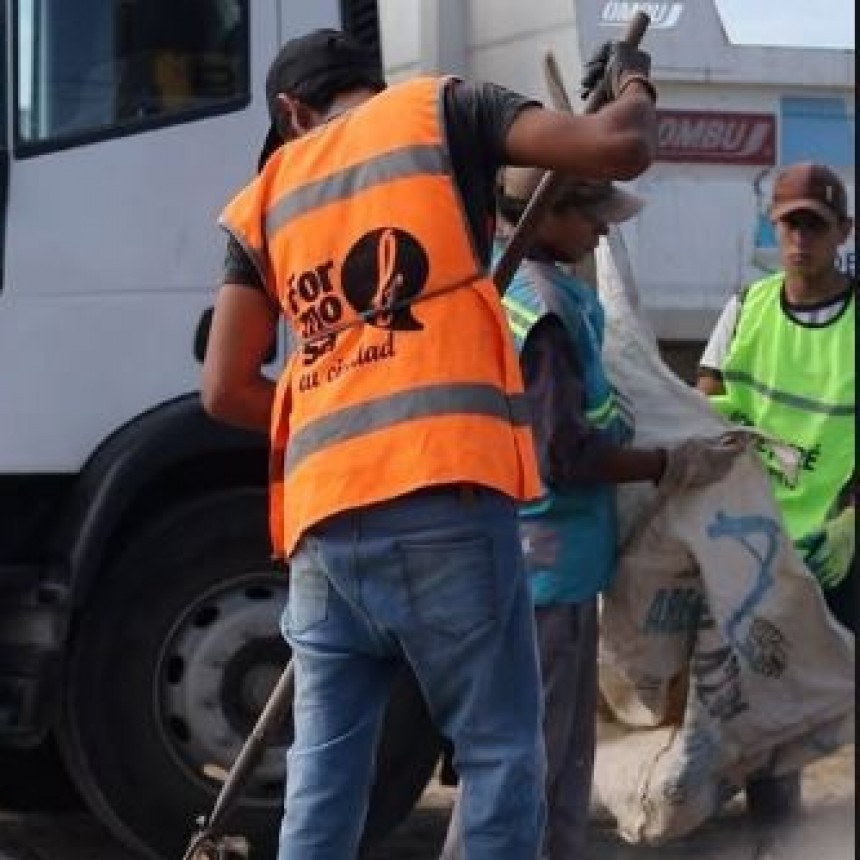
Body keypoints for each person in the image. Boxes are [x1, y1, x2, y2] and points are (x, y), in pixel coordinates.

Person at [202, 27, 659, 860]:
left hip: (322, 527)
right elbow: (619, 145)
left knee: (323, 776)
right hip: (442, 499)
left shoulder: (264, 195)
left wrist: (341, 409)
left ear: (290, 111)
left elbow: (224, 386)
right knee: (498, 753)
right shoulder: (438, 111)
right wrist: (634, 81)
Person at [439, 167, 742, 860]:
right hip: (547, 567)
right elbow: (565, 454)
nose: (603, 229)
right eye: (591, 214)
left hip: (511, 556)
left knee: (532, 756)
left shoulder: (497, 280)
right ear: (545, 213)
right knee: (533, 761)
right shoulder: (543, 306)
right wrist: (668, 465)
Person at [696, 160, 855, 823]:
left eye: (814, 227)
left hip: (840, 545)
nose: (800, 241)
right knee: (766, 697)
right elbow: (704, 404)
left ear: (843, 231)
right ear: (774, 227)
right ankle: (776, 826)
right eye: (790, 225)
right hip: (757, 541)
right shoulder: (748, 308)